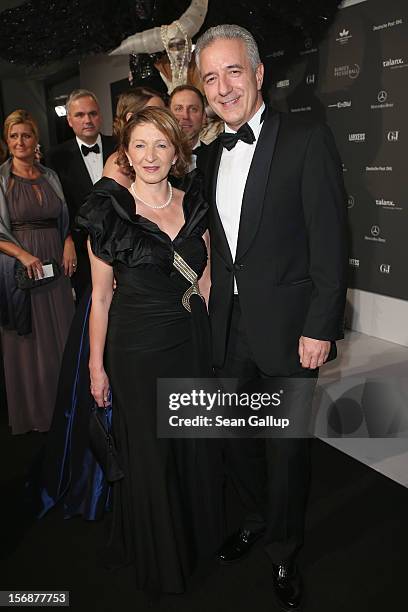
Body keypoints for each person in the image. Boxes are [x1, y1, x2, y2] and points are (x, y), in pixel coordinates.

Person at [195, 24, 348, 610]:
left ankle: (284, 549)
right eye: (211, 76)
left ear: (259, 74)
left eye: (234, 71)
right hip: (227, 327)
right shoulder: (210, 154)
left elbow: (330, 241)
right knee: (231, 439)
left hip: (290, 330)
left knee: (287, 452)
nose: (223, 86)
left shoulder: (307, 138)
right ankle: (258, 516)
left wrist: (320, 325)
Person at [77, 107, 221, 593]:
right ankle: (163, 559)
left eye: (161, 144)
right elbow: (99, 297)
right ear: (126, 153)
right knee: (152, 453)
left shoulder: (195, 201)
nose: (151, 155)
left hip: (190, 344)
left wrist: (208, 328)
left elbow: (204, 274)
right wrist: (96, 366)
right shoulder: (108, 213)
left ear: (177, 151)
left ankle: (197, 539)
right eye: (139, 145)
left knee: (191, 444)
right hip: (137, 349)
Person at [31, 88, 168, 522]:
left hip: (151, 294)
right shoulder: (118, 163)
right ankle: (110, 484)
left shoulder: (149, 158)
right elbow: (97, 223)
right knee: (107, 388)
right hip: (115, 288)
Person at [0, 110, 75, 434]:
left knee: (62, 334)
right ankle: (36, 413)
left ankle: (68, 407)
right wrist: (23, 255)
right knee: (30, 343)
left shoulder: (50, 175)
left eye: (25, 135)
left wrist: (69, 240)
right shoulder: (2, 179)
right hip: (20, 271)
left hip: (54, 268)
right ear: (7, 140)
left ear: (36, 139)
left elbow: (63, 216)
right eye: (13, 136)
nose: (20, 142)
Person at [47, 89, 115, 303]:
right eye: (80, 115)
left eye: (93, 113)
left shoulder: (120, 146)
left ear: (100, 116)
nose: (87, 120)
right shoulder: (55, 158)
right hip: (81, 247)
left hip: (121, 242)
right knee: (89, 306)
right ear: (69, 120)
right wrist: (67, 239)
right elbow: (57, 206)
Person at [103, 86, 165, 187]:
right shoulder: (118, 167)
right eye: (154, 114)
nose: (163, 120)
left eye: (163, 113)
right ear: (131, 119)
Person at [169, 85, 206, 170]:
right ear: (168, 115)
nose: (185, 116)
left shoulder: (215, 156)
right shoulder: (158, 157)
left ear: (204, 117)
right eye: (178, 109)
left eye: (193, 109)